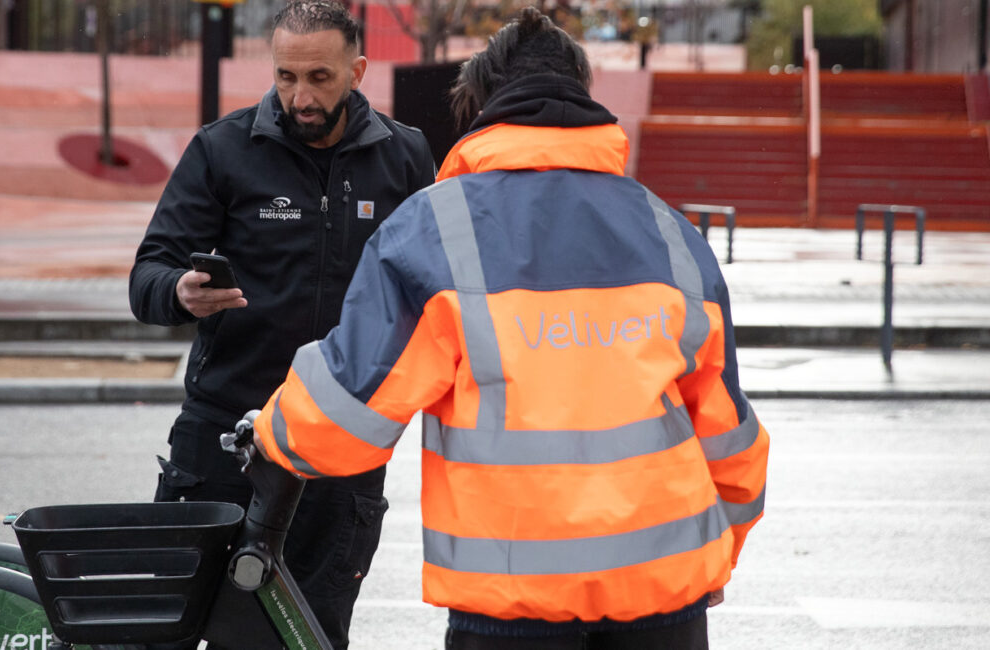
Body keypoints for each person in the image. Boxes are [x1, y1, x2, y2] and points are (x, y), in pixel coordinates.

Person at [251, 8, 769, 649]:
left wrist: (271, 430)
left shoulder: (435, 230)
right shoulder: (669, 232)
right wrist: (722, 550)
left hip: (511, 599)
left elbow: (346, 416)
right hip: (663, 592)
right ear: (584, 99)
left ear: (480, 106)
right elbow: (728, 431)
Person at [128, 1, 435, 647]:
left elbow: (435, 288)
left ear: (357, 70)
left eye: (319, 78)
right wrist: (178, 292)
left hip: (343, 439)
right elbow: (148, 274)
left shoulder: (405, 157)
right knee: (176, 627)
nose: (300, 96)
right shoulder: (222, 148)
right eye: (286, 76)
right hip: (221, 434)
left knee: (314, 633)